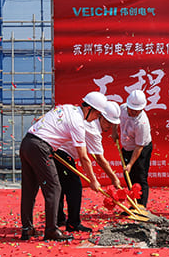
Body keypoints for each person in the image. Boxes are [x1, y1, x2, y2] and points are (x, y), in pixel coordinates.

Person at [19, 91, 107, 241]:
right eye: (97, 115)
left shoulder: (67, 108)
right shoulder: (78, 122)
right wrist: (93, 180)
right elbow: (84, 157)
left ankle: (27, 229)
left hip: (27, 143)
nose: (95, 120)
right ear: (89, 109)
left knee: (29, 189)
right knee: (54, 188)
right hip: (40, 147)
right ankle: (51, 230)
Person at [55, 100, 122, 233]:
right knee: (75, 187)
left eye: (112, 124)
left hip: (56, 151)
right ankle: (73, 223)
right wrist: (113, 179)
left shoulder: (88, 121)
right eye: (107, 122)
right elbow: (99, 159)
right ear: (100, 115)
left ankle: (59, 218)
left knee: (61, 187)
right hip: (62, 153)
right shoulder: (92, 129)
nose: (109, 126)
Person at [116, 90, 153, 207]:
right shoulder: (122, 108)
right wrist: (114, 132)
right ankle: (133, 204)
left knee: (140, 176)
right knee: (129, 177)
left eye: (136, 111)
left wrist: (131, 164)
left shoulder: (142, 123)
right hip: (127, 146)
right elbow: (115, 119)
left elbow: (139, 147)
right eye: (131, 109)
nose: (132, 112)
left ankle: (141, 206)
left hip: (141, 150)